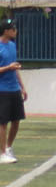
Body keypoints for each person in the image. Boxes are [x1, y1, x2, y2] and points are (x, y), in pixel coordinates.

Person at [0, 19, 27, 163]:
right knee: (3, 122)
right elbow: (7, 67)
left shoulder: (12, 45)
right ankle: (2, 152)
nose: (15, 31)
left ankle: (9, 147)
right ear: (6, 31)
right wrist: (8, 68)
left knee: (16, 120)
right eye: (12, 29)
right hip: (2, 90)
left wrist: (22, 87)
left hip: (14, 89)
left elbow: (15, 68)